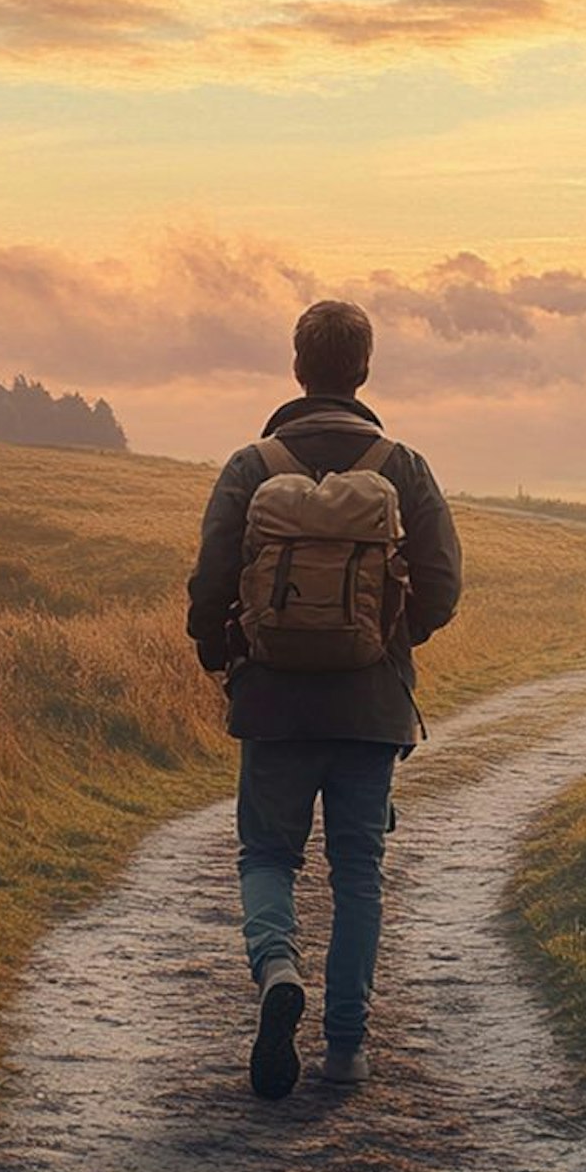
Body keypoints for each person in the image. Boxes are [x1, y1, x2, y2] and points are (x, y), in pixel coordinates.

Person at [185, 299, 463, 1100]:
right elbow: (442, 587)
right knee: (358, 871)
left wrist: (224, 652)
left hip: (272, 701)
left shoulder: (252, 464)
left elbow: (209, 584)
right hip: (370, 705)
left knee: (268, 856)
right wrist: (390, 639)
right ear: (364, 369)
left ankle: (276, 968)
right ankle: (346, 1047)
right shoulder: (400, 466)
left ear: (298, 367)